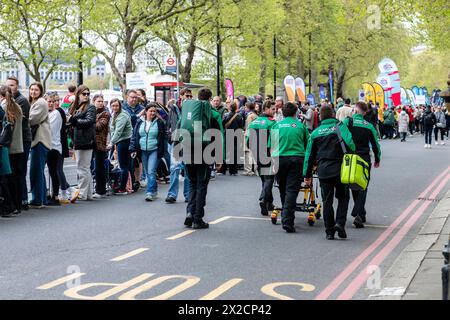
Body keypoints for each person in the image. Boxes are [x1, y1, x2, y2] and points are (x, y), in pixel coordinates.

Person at [304, 105, 355, 240]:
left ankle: (329, 231)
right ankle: (340, 223)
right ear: (333, 114)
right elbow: (351, 145)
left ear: (320, 116)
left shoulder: (315, 133)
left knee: (327, 201)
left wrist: (307, 175)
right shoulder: (340, 127)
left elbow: (309, 156)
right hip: (341, 169)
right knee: (343, 197)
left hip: (324, 170)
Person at [180, 88, 218, 230]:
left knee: (192, 184)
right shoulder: (212, 113)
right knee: (202, 185)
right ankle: (198, 218)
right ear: (209, 99)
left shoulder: (188, 111)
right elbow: (218, 134)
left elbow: (179, 127)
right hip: (204, 151)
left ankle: (190, 212)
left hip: (187, 148)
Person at [270, 102, 310, 233]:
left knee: (282, 188)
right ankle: (287, 219)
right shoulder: (300, 126)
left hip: (279, 158)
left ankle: (285, 215)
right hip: (296, 159)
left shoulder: (276, 125)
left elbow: (272, 146)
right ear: (295, 112)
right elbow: (307, 145)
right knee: (292, 190)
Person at [343, 101, 381, 228]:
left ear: (355, 110)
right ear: (365, 112)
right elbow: (376, 144)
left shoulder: (348, 122)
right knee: (363, 185)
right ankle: (359, 213)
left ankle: (360, 212)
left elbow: (341, 136)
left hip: (350, 157)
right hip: (364, 158)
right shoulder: (369, 126)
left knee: (353, 183)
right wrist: (377, 158)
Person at [246, 100, 277, 216]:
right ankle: (263, 199)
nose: (275, 111)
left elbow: (248, 139)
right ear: (267, 108)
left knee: (264, 178)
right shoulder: (272, 123)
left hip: (256, 152)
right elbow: (274, 140)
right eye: (273, 109)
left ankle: (269, 203)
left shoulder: (254, 122)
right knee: (269, 178)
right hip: (268, 152)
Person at [129, 103, 165, 201]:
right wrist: (133, 149)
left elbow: (163, 138)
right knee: (148, 172)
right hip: (143, 150)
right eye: (150, 111)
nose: (152, 113)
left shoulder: (159, 122)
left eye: (154, 111)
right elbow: (134, 136)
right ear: (146, 111)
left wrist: (162, 151)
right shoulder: (139, 122)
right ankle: (154, 190)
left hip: (154, 150)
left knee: (151, 171)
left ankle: (149, 192)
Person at [5, 76, 31, 211]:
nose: (10, 87)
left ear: (17, 86)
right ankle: (19, 200)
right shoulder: (12, 101)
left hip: (22, 140)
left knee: (19, 171)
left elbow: (18, 123)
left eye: (12, 85)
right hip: (15, 141)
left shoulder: (21, 101)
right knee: (16, 172)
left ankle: (22, 200)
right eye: (8, 85)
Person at [67, 85, 96, 201]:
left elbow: (89, 121)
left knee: (82, 167)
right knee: (85, 168)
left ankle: (82, 193)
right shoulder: (74, 107)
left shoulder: (90, 107)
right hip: (77, 140)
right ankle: (88, 193)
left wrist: (73, 120)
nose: (86, 96)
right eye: (84, 94)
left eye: (88, 94)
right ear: (78, 94)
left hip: (86, 140)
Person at [0, 85, 23, 217]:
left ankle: (9, 205)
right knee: (15, 178)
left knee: (6, 178)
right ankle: (16, 205)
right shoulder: (17, 107)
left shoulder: (4, 108)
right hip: (17, 146)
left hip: (7, 147)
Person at [28, 83, 51, 208]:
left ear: (41, 91)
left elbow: (32, 119)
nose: (33, 91)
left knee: (35, 171)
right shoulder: (35, 102)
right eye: (31, 89)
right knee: (38, 171)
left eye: (36, 89)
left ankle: (38, 199)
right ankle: (41, 198)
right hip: (38, 140)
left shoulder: (41, 102)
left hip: (40, 140)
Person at [166, 97, 190, 203]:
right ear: (181, 96)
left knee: (188, 170)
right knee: (174, 168)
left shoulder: (192, 110)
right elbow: (168, 124)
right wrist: (170, 138)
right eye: (186, 95)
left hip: (188, 143)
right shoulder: (173, 109)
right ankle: (172, 194)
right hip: (175, 143)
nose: (187, 98)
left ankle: (188, 194)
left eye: (189, 96)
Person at [107, 98, 133, 195]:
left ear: (120, 106)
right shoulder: (114, 114)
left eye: (116, 105)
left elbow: (118, 131)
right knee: (125, 165)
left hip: (124, 141)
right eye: (113, 106)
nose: (115, 107)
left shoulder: (122, 116)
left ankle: (122, 188)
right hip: (119, 142)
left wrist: (111, 143)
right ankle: (127, 186)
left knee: (123, 166)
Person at [52, 92, 72, 202]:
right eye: (52, 101)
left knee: (58, 169)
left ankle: (65, 192)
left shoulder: (58, 111)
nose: (55, 103)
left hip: (60, 142)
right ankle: (69, 190)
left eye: (56, 100)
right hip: (59, 141)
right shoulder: (58, 111)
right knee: (56, 169)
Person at [45, 94, 63, 206]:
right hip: (47, 145)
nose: (50, 103)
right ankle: (49, 194)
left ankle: (55, 196)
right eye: (48, 101)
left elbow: (49, 130)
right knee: (48, 171)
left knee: (53, 171)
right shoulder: (47, 113)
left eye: (52, 101)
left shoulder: (56, 114)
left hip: (53, 146)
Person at [219, 99, 244, 176]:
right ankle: (233, 171)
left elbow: (222, 125)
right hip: (236, 135)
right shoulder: (239, 116)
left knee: (225, 152)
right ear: (236, 107)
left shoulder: (226, 115)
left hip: (227, 134)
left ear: (229, 108)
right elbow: (241, 126)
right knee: (234, 153)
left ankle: (223, 170)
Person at [92, 94, 110, 199]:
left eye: (101, 101)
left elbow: (99, 126)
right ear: (93, 102)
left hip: (100, 144)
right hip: (90, 143)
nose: (100, 103)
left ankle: (101, 190)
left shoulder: (105, 113)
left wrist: (90, 120)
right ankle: (95, 187)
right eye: (98, 101)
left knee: (99, 167)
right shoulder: (92, 112)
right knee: (93, 168)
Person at [243, 102, 258, 176]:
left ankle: (248, 170)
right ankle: (256, 169)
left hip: (249, 136)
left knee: (247, 153)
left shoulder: (250, 116)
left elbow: (249, 127)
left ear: (248, 108)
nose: (244, 109)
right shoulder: (255, 115)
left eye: (245, 107)